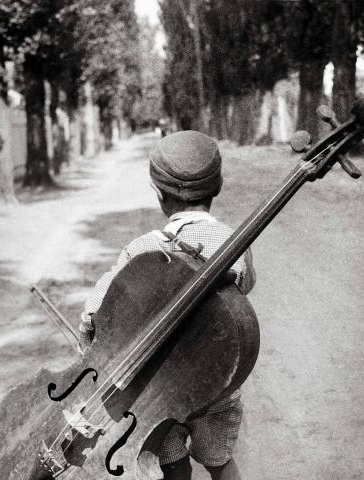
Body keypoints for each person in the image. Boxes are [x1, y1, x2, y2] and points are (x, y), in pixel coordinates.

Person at [78, 130, 256, 480]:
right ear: (216, 188)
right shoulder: (236, 244)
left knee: (170, 462)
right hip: (217, 383)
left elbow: (92, 314)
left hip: (161, 391)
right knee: (220, 462)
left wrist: (89, 348)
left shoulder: (142, 248)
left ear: (158, 194)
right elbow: (242, 294)